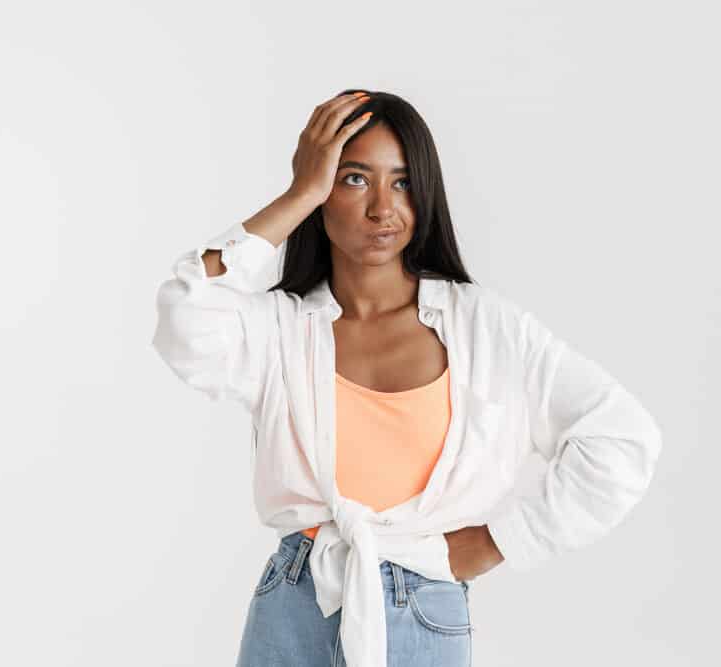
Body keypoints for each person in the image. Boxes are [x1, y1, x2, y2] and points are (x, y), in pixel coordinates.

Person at [151, 89, 663, 667]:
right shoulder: (280, 330)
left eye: (401, 182)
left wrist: (501, 541)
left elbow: (622, 438)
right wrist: (299, 193)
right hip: (297, 600)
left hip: (425, 605)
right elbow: (186, 314)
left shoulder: (485, 328)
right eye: (353, 179)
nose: (381, 209)